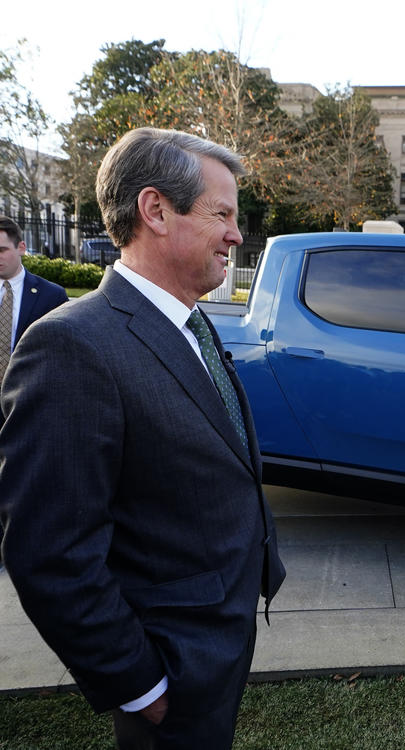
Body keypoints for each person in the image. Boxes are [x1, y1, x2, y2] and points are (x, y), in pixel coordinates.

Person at [0, 128, 285, 750]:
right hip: (167, 664)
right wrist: (139, 685)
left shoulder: (190, 318)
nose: (237, 234)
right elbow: (50, 551)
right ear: (155, 210)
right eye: (223, 215)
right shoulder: (71, 346)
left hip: (218, 639)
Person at [0, 215, 68, 382]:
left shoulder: (52, 296)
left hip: (30, 395)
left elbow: (63, 354)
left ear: (21, 247)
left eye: (1, 250)